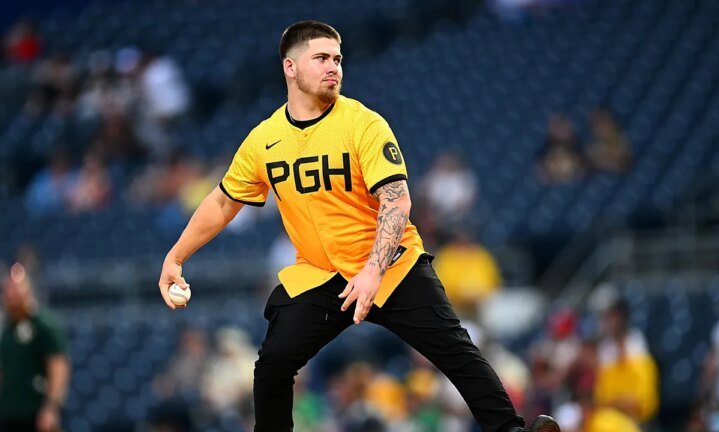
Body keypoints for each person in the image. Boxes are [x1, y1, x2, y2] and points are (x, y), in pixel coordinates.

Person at [156, 20, 560, 432]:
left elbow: (397, 200)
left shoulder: (363, 124)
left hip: (390, 264)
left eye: (337, 58)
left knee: (454, 350)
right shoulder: (265, 139)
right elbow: (223, 201)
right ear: (290, 67)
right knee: (273, 365)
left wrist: (372, 271)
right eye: (321, 58)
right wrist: (176, 257)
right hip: (322, 274)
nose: (333, 67)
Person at [0, 264, 70, 432]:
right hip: (8, 414)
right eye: (8, 290)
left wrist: (51, 407)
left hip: (36, 414)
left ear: (28, 290)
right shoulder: (5, 330)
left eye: (16, 289)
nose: (12, 295)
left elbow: (58, 366)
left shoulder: (43, 325)